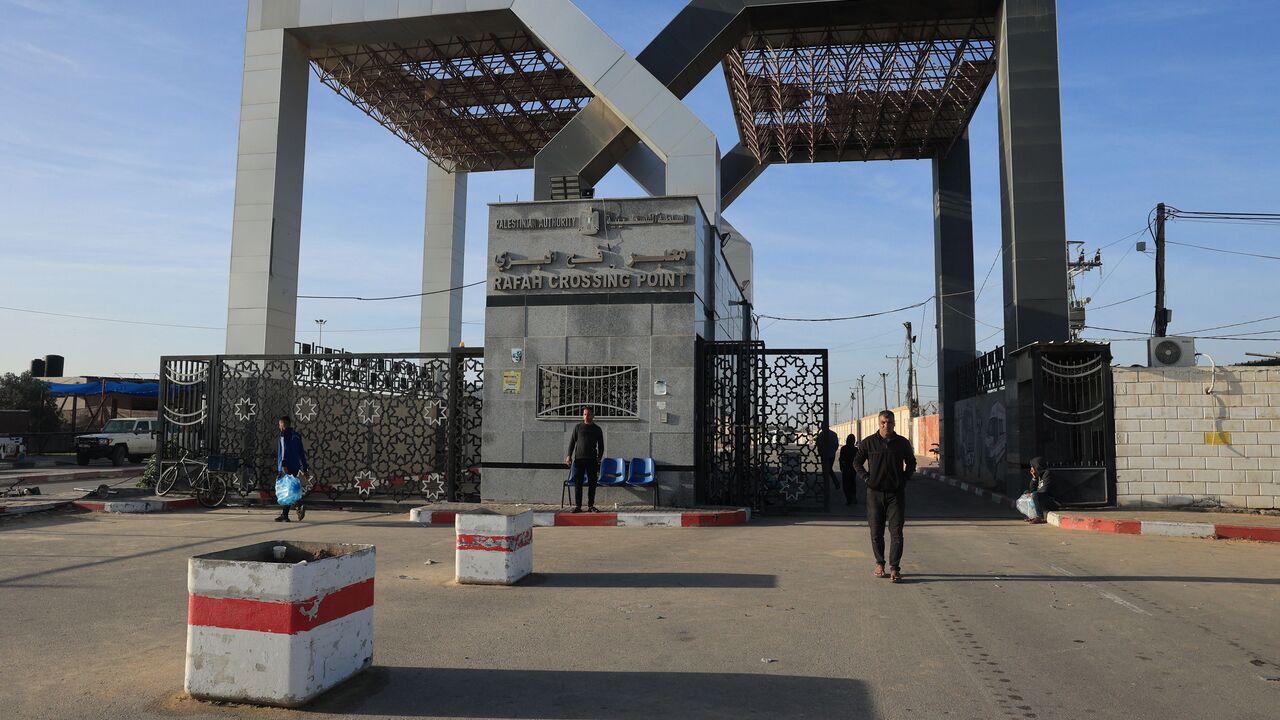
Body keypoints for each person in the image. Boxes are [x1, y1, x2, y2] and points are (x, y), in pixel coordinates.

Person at [854, 410, 916, 583]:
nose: (886, 425)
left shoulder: (902, 443)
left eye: (889, 423)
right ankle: (879, 563)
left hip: (896, 494)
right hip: (874, 494)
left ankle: (895, 567)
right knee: (876, 531)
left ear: (894, 423)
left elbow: (911, 463)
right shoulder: (869, 443)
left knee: (896, 532)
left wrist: (904, 479)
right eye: (883, 422)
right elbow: (857, 462)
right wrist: (867, 478)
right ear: (878, 423)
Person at [564, 406, 605, 513]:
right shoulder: (578, 427)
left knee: (592, 484)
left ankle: (591, 506)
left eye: (588, 414)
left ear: (593, 416)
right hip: (579, 460)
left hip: (592, 460)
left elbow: (601, 446)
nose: (586, 416)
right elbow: (572, 442)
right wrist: (569, 455)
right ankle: (578, 506)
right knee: (578, 483)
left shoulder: (597, 429)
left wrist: (599, 458)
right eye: (585, 414)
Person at [275, 415, 308, 522]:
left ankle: (299, 505)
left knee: (284, 489)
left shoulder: (284, 434)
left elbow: (285, 449)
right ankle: (285, 514)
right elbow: (301, 453)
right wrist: (304, 468)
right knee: (289, 489)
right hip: (295, 466)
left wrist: (284, 464)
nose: (279, 425)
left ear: (283, 424)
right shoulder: (297, 435)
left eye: (280, 423)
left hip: (286, 466)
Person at [1025, 457, 1057, 524]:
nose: (1031, 469)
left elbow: (1045, 490)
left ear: (1037, 466)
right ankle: (1032, 516)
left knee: (1034, 494)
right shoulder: (1038, 475)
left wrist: (1033, 494)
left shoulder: (1047, 474)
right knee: (1027, 493)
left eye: (1032, 467)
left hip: (1052, 501)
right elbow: (1032, 489)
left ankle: (1040, 517)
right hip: (1042, 499)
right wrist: (1034, 478)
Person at [817, 423, 840, 493]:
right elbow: (837, 445)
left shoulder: (821, 434)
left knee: (826, 471)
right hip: (832, 455)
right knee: (829, 469)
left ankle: (827, 486)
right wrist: (833, 451)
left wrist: (820, 453)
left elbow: (819, 445)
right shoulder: (834, 434)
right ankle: (835, 483)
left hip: (824, 455)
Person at [838, 433, 858, 506]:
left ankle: (848, 499)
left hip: (846, 468)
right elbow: (858, 460)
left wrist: (841, 467)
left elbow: (841, 459)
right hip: (853, 469)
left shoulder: (843, 448)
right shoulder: (855, 449)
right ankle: (853, 497)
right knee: (852, 484)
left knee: (846, 484)